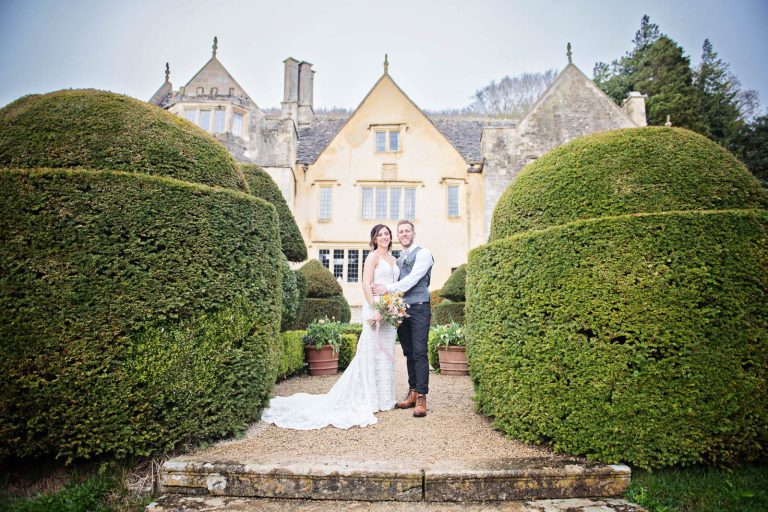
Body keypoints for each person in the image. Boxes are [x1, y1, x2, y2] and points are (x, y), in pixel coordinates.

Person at [261, 224, 399, 429]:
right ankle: (370, 398)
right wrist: (374, 307)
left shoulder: (394, 259)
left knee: (386, 351)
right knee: (371, 351)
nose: (384, 237)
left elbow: (394, 285)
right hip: (376, 308)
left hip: (390, 310)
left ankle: (385, 398)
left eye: (387, 234)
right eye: (380, 234)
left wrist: (395, 306)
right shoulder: (372, 257)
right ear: (374, 238)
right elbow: (365, 283)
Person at [373, 219, 433, 418]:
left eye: (408, 231)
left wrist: (388, 289)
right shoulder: (397, 259)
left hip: (419, 307)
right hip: (401, 310)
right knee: (408, 352)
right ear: (398, 236)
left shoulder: (423, 254)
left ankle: (422, 396)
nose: (404, 234)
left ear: (413, 233)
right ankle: (413, 391)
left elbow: (413, 278)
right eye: (401, 232)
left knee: (419, 352)